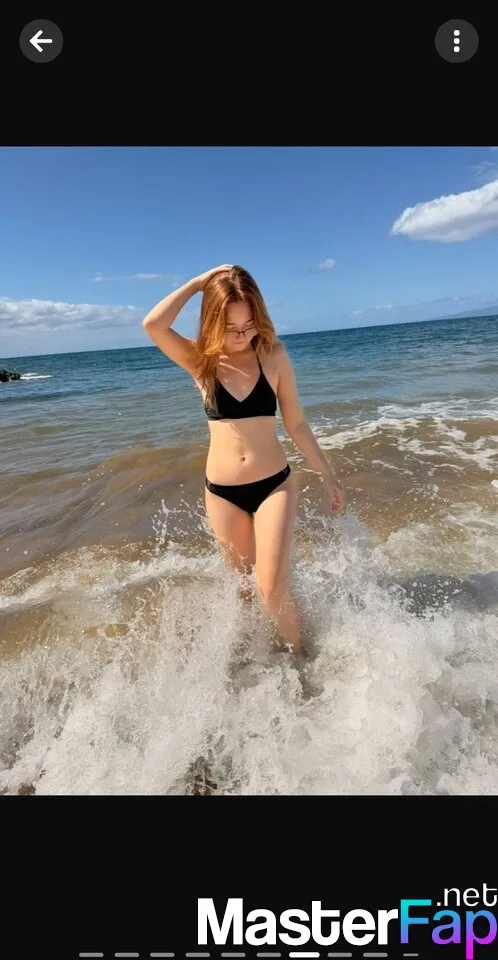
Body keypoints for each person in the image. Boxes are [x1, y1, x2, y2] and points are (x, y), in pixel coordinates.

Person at [142, 264, 345, 652]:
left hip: (273, 486)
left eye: (248, 326)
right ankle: (259, 663)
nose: (241, 335)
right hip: (222, 495)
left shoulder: (274, 356)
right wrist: (198, 284)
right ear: (212, 321)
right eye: (231, 328)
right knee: (245, 592)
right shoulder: (200, 360)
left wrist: (327, 473)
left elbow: (296, 423)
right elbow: (153, 324)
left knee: (271, 588)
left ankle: (301, 661)